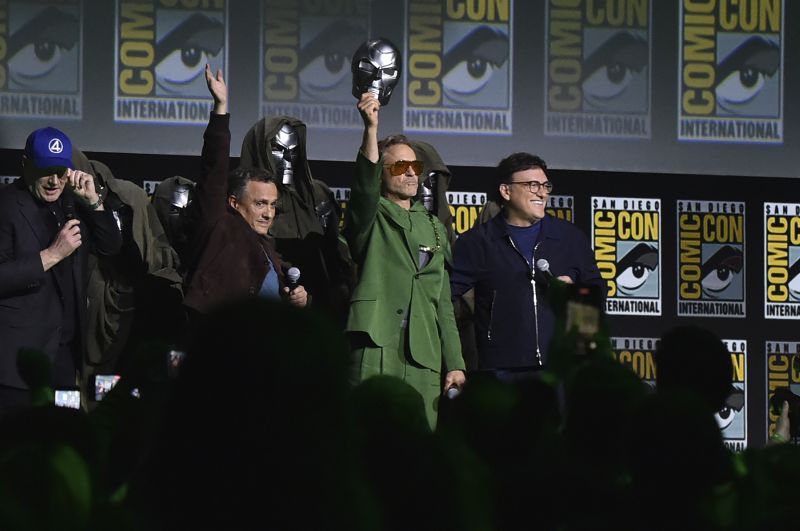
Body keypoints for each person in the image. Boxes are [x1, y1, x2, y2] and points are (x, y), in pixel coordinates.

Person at [345, 92, 466, 428]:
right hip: (375, 343)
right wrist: (370, 129)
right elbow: (364, 189)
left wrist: (455, 362)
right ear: (382, 172)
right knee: (366, 441)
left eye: (416, 166)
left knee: (417, 450)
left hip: (424, 355)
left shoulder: (433, 226)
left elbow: (443, 304)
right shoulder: (371, 214)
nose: (412, 173)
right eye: (400, 166)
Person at [0, 127, 122, 415]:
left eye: (61, 171)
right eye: (46, 171)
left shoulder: (73, 202)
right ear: (25, 164)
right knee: (17, 449)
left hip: (65, 363)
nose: (55, 181)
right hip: (18, 367)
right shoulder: (5, 206)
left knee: (61, 442)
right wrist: (51, 255)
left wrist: (93, 202)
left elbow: (111, 246)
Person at [450, 152, 603, 375]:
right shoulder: (477, 242)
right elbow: (445, 298)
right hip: (501, 367)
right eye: (532, 185)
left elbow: (597, 293)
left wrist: (576, 293)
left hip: (561, 366)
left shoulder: (570, 237)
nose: (542, 192)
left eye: (545, 185)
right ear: (506, 191)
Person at [182, 65, 307, 315]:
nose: (268, 213)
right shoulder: (219, 227)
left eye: (272, 205)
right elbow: (213, 169)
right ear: (233, 202)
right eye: (260, 203)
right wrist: (220, 109)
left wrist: (299, 299)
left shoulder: (267, 251)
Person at [239, 115, 355, 324]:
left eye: (293, 151)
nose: (288, 158)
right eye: (279, 149)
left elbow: (337, 258)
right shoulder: (241, 199)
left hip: (321, 317)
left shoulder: (316, 195)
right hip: (264, 317)